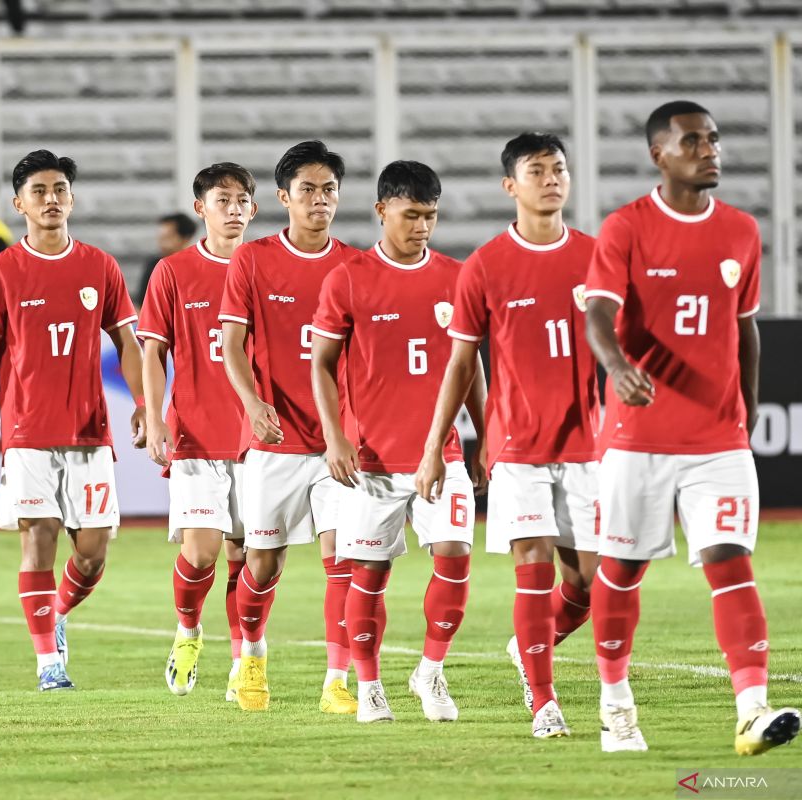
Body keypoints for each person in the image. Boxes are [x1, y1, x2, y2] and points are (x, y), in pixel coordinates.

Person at [583, 100, 800, 755]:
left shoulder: (741, 231)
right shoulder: (626, 228)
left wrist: (750, 401)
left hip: (718, 439)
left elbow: (745, 325)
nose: (711, 150)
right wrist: (618, 366)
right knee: (620, 569)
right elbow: (597, 315)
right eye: (694, 141)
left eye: (714, 138)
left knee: (731, 563)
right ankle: (615, 704)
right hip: (637, 436)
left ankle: (751, 712)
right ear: (660, 155)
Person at [415, 132, 601, 740]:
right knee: (534, 566)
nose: (551, 178)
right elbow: (461, 364)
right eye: (537, 169)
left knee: (592, 583)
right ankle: (543, 702)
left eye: (559, 169)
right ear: (510, 185)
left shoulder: (599, 258)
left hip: (586, 444)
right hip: (518, 444)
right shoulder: (486, 266)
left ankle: (530, 646)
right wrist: (440, 445)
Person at [311, 160, 487, 723]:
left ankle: (430, 671)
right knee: (370, 575)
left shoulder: (457, 278)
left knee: (456, 557)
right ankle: (369, 688)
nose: (422, 227)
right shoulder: (348, 278)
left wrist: (486, 433)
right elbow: (321, 363)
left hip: (445, 454)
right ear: (381, 209)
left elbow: (470, 366)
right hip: (371, 462)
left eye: (430, 216)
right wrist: (336, 436)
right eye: (411, 215)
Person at [0, 149, 146, 692]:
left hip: (89, 432)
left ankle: (58, 612)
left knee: (92, 554)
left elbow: (127, 342)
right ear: (19, 202)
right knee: (38, 537)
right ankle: (48, 661)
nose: (51, 199)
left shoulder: (99, 266)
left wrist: (143, 403)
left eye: (60, 189)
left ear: (73, 198)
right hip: (27, 434)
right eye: (39, 191)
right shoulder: (1, 271)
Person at [218, 140, 355, 714]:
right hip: (274, 438)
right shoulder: (252, 260)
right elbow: (230, 345)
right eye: (308, 190)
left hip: (336, 443)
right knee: (263, 562)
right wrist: (252, 404)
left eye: (328, 189)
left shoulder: (356, 265)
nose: (319, 199)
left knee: (343, 558)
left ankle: (338, 681)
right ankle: (249, 658)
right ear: (283, 198)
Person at [138, 162, 258, 700]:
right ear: (200, 209)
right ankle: (188, 633)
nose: (232, 211)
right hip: (195, 436)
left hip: (260, 440)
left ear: (254, 208)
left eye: (241, 201)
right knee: (203, 551)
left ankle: (243, 661)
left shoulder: (269, 268)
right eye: (221, 201)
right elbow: (154, 351)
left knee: (248, 556)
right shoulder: (173, 272)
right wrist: (156, 413)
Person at [135, 212, 198, 304]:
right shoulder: (154, 265)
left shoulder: (199, 265)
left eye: (167, 237)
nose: (161, 243)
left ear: (186, 238)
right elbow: (142, 304)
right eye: (160, 237)